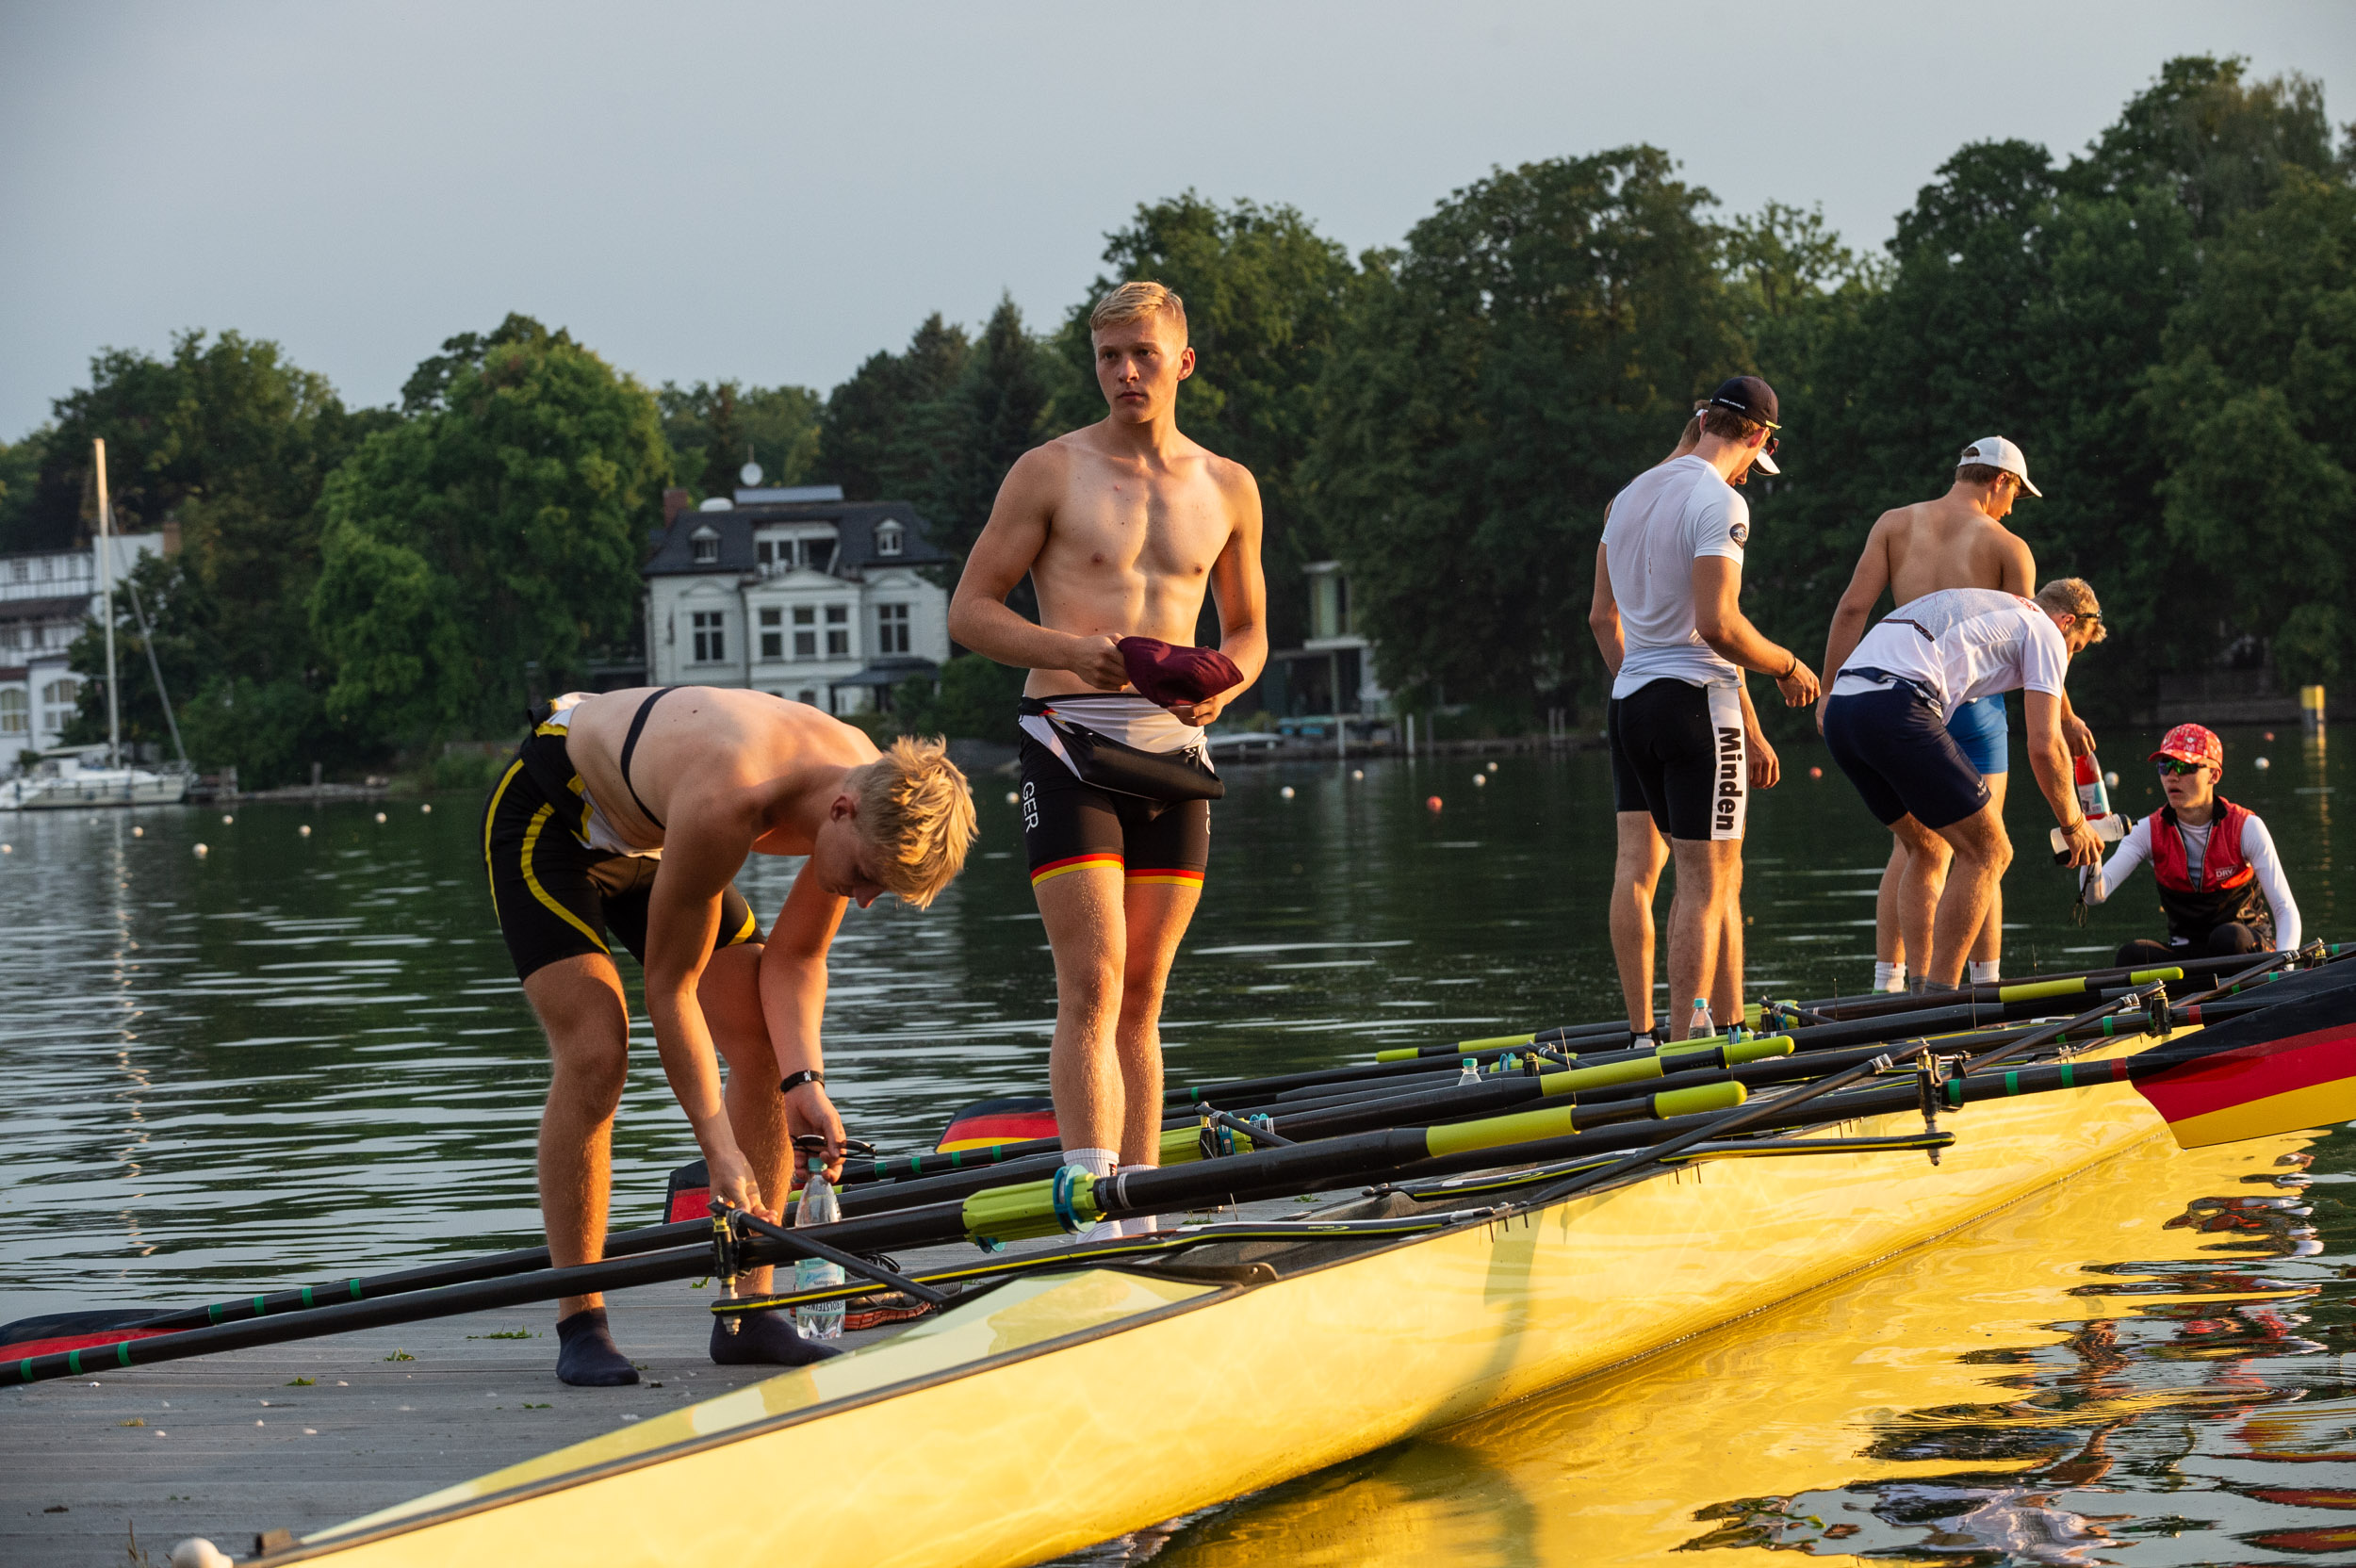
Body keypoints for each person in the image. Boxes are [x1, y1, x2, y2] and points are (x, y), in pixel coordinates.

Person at [483, 687, 976, 1384]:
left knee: (768, 1050)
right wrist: (716, 1147)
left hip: (657, 833)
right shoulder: (731, 795)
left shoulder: (865, 781)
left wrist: (807, 1084)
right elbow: (671, 990)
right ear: (841, 811)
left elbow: (797, 961)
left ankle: (749, 1314)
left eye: (881, 892)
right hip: (555, 814)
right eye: (867, 877)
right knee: (597, 1052)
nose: (864, 898)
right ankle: (580, 1320)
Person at [948, 281, 1268, 1235]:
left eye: (1140, 352)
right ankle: (1092, 1205)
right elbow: (969, 610)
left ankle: (1147, 1208)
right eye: (1107, 357)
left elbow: (1249, 630)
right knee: (1091, 980)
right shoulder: (1048, 471)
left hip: (1175, 751)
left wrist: (1229, 684)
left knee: (1146, 992)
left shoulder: (1230, 485)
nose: (1125, 371)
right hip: (1068, 741)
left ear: (1182, 360)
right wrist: (1064, 649)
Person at [1590, 376, 1818, 1041]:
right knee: (1705, 885)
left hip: (1630, 703)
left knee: (1681, 874)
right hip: (1695, 704)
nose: (1752, 473)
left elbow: (1602, 618)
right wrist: (1787, 665)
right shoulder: (1720, 503)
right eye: (1759, 456)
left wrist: (1647, 677)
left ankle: (1671, 1035)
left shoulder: (1627, 497)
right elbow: (1719, 625)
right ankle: (1688, 1051)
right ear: (1756, 435)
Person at [1819, 437, 2088, 991]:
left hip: (1866, 686)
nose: (2014, 508)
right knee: (1988, 848)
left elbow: (1851, 608)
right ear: (2001, 482)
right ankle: (1972, 990)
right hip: (1955, 705)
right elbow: (2035, 640)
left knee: (1919, 845)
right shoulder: (2009, 546)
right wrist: (2066, 720)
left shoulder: (1894, 523)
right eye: (2016, 494)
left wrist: (1827, 692)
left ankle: (1896, 982)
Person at [1821, 580, 2109, 990]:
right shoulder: (2044, 630)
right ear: (2066, 622)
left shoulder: (1997, 608)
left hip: (1843, 712)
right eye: (2075, 648)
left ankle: (1919, 992)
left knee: (1925, 845)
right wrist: (2073, 824)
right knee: (1991, 851)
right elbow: (2046, 748)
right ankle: (1943, 1004)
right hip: (1896, 705)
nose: (2069, 659)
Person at [2081, 724, 2299, 964]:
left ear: (2214, 775)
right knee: (2131, 955)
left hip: (2245, 947)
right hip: (2188, 953)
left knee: (2227, 937)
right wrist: (2091, 848)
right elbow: (2095, 895)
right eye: (2165, 766)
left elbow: (2284, 909)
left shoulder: (2247, 827)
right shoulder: (2146, 831)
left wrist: (2285, 966)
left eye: (2186, 767)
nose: (2173, 776)